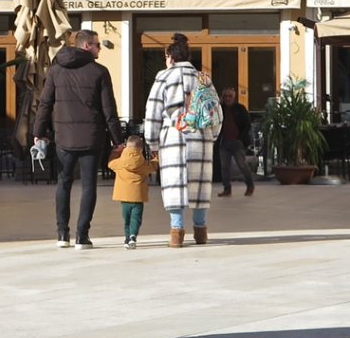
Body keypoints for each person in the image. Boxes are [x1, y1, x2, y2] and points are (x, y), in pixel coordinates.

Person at [33, 29, 125, 250]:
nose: (99, 48)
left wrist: (39, 132)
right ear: (86, 46)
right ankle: (82, 236)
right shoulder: (99, 71)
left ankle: (62, 234)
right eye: (97, 45)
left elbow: (45, 103)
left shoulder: (56, 71)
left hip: (64, 137)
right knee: (88, 186)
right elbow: (109, 109)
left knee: (63, 183)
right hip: (92, 137)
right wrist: (117, 140)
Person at [144, 33, 222, 248]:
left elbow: (153, 112)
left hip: (173, 137)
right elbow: (217, 112)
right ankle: (200, 231)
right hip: (201, 137)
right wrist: (212, 136)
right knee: (200, 185)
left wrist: (152, 143)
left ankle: (176, 233)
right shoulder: (203, 78)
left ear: (170, 56)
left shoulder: (163, 77)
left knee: (175, 184)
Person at [108, 135, 159, 250]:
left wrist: (115, 153)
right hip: (138, 197)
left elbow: (110, 163)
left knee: (126, 219)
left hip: (124, 197)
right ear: (140, 149)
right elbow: (154, 166)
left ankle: (127, 238)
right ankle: (132, 236)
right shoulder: (143, 164)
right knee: (136, 218)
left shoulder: (119, 163)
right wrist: (155, 157)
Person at [217, 87, 256, 197]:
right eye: (225, 96)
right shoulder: (220, 109)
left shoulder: (240, 108)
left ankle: (250, 185)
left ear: (234, 97)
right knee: (225, 167)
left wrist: (240, 138)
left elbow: (247, 124)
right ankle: (227, 188)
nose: (227, 98)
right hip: (224, 142)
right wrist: (217, 104)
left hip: (237, 142)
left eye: (230, 96)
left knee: (242, 165)